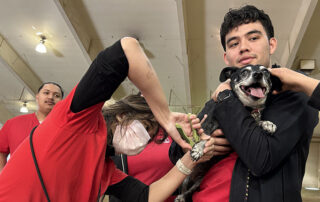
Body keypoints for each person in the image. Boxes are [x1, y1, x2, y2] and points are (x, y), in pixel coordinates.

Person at [0, 37, 212, 202]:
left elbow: (145, 197)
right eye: (144, 128)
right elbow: (127, 48)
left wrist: (192, 158)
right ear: (122, 115)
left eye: (148, 137)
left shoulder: (105, 170)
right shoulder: (77, 119)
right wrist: (163, 113)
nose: (143, 141)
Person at [170, 5, 318, 202]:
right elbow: (174, 155)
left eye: (254, 38)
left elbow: (261, 159)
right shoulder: (223, 93)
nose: (243, 47)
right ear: (226, 57)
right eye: (233, 44)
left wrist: (225, 98)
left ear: (271, 44)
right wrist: (194, 141)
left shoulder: (293, 93)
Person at [0, 82, 64, 172]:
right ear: (37, 97)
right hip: (19, 182)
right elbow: (1, 151)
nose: (50, 97)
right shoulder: (14, 123)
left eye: (57, 95)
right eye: (46, 93)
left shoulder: (67, 128)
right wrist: (2, 175)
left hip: (53, 183)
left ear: (62, 102)